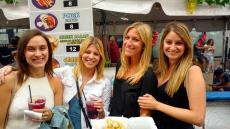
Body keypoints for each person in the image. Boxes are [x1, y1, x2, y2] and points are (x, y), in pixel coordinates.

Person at [0, 36, 112, 129]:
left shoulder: (104, 83)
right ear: (81, 54)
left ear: (100, 58)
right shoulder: (66, 72)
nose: (91, 57)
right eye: (87, 52)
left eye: (96, 54)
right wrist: (11, 68)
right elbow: (37, 70)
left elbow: (104, 119)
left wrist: (101, 111)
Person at [138, 22, 206, 129]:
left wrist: (157, 105)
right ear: (162, 44)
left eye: (179, 43)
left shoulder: (192, 71)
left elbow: (198, 118)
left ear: (186, 46)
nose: (172, 47)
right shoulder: (157, 71)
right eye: (169, 42)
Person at [0, 29, 63, 129]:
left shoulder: (56, 82)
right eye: (31, 49)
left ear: (49, 51)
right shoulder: (8, 80)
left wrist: (51, 115)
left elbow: (60, 120)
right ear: (23, 54)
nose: (38, 54)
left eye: (42, 48)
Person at [109, 22, 158, 118]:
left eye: (135, 39)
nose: (128, 43)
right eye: (127, 38)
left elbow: (145, 114)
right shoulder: (121, 65)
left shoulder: (148, 75)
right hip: (113, 123)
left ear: (144, 45)